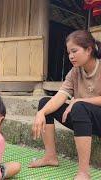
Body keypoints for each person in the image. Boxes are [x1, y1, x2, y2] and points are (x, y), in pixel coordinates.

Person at [30, 30, 101, 180]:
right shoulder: (75, 72)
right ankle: (50, 156)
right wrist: (41, 113)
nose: (71, 56)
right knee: (45, 103)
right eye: (69, 52)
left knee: (79, 106)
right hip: (83, 119)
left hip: (97, 118)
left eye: (74, 51)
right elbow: (61, 96)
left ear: (89, 50)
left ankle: (83, 172)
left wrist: (80, 101)